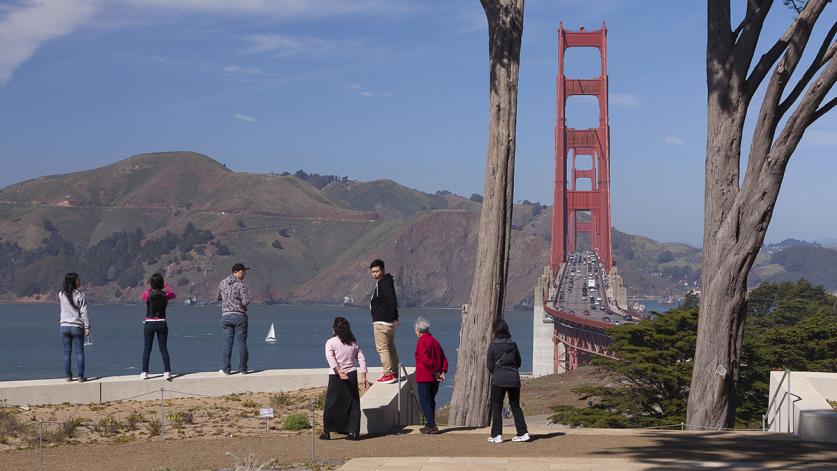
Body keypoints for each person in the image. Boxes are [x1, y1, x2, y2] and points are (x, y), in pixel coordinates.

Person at [321, 317, 367, 441]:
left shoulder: (330, 342)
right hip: (351, 374)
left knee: (332, 403)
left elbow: (330, 357)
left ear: (334, 329)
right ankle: (353, 432)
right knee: (352, 403)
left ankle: (327, 432)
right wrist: (364, 375)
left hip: (336, 376)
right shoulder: (353, 342)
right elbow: (361, 358)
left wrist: (338, 370)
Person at [486, 319, 529, 443]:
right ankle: (523, 432)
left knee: (497, 407)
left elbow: (489, 365)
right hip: (513, 379)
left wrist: (498, 370)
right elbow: (519, 363)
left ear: (495, 331)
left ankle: (496, 435)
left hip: (498, 380)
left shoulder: (493, 346)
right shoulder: (513, 345)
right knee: (515, 406)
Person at [413, 317, 447, 434]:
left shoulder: (422, 342)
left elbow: (425, 359)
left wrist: (435, 371)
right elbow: (443, 357)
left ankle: (432, 425)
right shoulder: (435, 341)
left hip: (425, 376)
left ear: (418, 330)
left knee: (424, 400)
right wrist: (442, 371)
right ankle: (428, 424)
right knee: (431, 400)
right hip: (434, 378)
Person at [140, 273, 176, 381]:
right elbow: (173, 294)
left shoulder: (148, 294)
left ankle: (145, 372)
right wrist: (166, 286)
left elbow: (143, 296)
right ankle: (167, 372)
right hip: (162, 322)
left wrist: (151, 286)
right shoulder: (166, 295)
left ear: (151, 284)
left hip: (149, 322)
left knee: (147, 348)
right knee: (163, 348)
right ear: (162, 284)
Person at [216, 263, 251, 375]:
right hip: (239, 316)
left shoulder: (222, 282)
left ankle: (226, 369)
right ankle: (243, 369)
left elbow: (218, 297)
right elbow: (246, 301)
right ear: (235, 272)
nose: (244, 273)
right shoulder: (240, 285)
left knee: (227, 344)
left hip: (226, 316)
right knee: (241, 343)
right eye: (242, 271)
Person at [369, 259, 399, 384]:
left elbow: (391, 300)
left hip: (382, 322)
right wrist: (394, 317)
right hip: (388, 322)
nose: (375, 274)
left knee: (382, 348)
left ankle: (388, 374)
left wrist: (394, 316)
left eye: (377, 271)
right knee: (390, 346)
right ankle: (395, 372)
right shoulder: (384, 282)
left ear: (382, 270)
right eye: (373, 272)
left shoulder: (384, 283)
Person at [58, 273, 90, 382]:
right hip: (77, 326)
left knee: (67, 352)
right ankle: (80, 376)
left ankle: (68, 376)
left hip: (64, 326)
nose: (79, 281)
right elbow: (84, 312)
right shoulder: (80, 295)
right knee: (79, 352)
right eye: (78, 280)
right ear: (73, 282)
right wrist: (87, 327)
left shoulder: (61, 294)